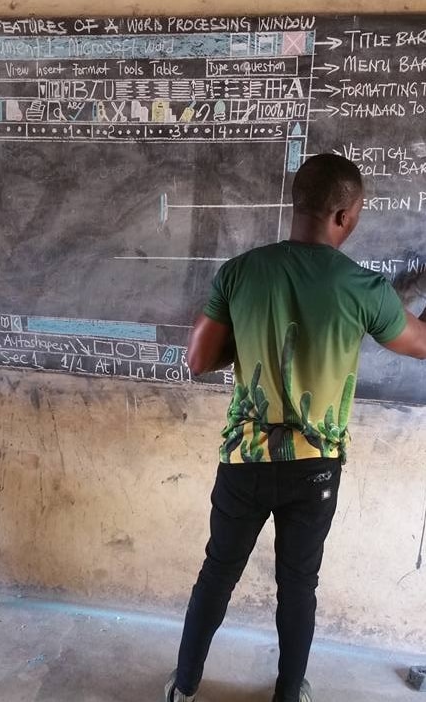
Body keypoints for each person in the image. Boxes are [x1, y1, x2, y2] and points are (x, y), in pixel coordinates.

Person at [164, 153, 426, 702]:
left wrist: (251, 332)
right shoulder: (364, 288)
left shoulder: (239, 272)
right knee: (298, 585)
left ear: (295, 205)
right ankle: (288, 693)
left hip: (245, 460)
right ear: (344, 216)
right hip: (316, 468)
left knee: (217, 576)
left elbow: (197, 359)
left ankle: (183, 686)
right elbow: (420, 343)